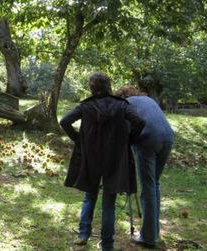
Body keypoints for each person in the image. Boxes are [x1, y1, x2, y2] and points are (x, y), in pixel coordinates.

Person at [60, 72, 145, 251]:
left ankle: (83, 233)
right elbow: (139, 122)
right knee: (109, 203)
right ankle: (107, 244)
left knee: (89, 196)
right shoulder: (121, 105)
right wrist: (128, 140)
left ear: (91, 87)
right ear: (108, 85)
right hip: (114, 157)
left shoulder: (86, 106)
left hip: (91, 157)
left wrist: (78, 139)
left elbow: (65, 121)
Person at [116, 86, 174, 248]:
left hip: (147, 139)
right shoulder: (148, 99)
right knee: (154, 184)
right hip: (168, 137)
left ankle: (148, 237)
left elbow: (125, 129)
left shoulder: (124, 103)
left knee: (148, 187)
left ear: (121, 96)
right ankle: (153, 231)